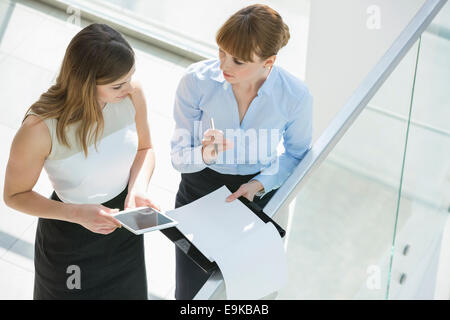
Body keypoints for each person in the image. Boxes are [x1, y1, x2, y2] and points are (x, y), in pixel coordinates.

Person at [3, 23, 158, 299]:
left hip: (123, 231)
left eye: (131, 76)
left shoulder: (132, 93)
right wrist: (76, 213)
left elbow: (145, 149)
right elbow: (14, 195)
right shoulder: (39, 128)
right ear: (86, 82)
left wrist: (138, 189)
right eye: (117, 85)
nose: (129, 86)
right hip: (69, 240)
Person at [170, 4, 313, 299]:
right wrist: (205, 154)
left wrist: (259, 184)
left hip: (258, 195)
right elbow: (178, 156)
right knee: (193, 294)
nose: (225, 66)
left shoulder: (295, 96)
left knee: (252, 292)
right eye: (221, 52)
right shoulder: (195, 81)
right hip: (198, 192)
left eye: (238, 60)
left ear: (269, 62)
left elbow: (296, 155)